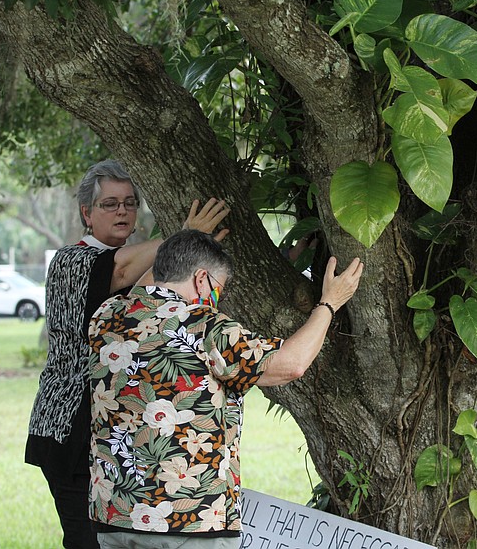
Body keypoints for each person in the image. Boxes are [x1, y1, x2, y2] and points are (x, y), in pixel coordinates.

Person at [87, 229, 363, 548]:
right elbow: (291, 364)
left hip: (113, 514)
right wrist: (329, 303)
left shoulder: (107, 317)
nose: (218, 297)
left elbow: (146, 291)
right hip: (188, 522)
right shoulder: (205, 325)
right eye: (219, 288)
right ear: (201, 279)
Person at [25, 159, 229, 549]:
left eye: (130, 203)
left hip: (113, 436)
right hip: (71, 430)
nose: (122, 210)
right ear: (86, 213)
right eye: (109, 204)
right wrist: (186, 236)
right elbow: (117, 273)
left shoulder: (146, 264)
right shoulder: (70, 260)